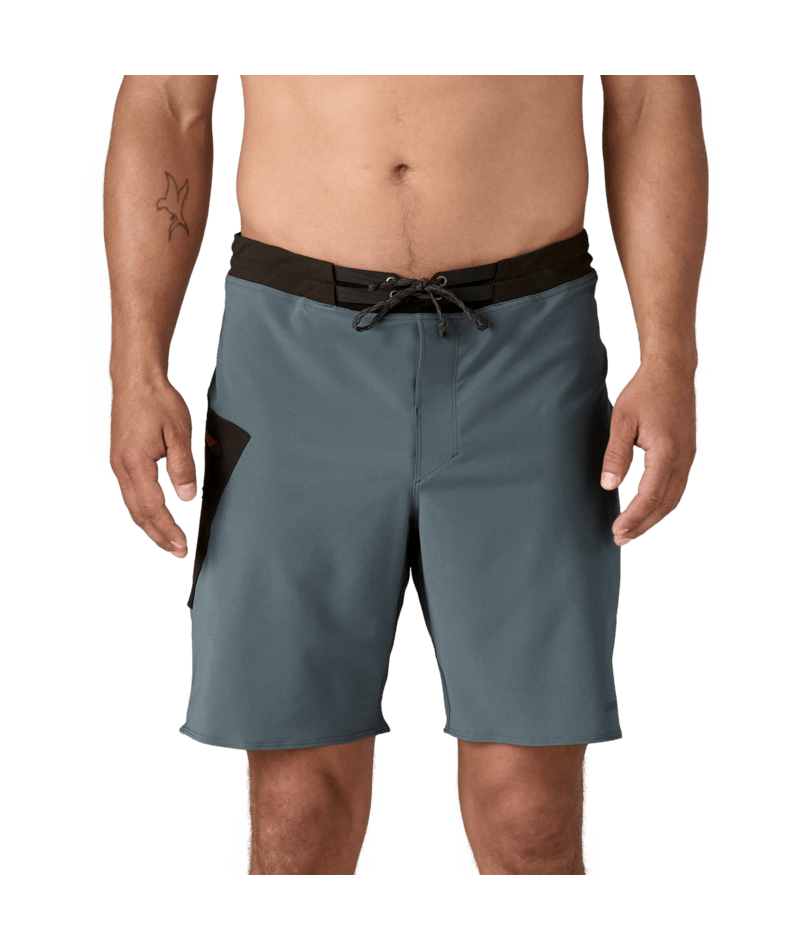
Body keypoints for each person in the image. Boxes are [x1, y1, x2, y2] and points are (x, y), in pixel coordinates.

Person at [104, 75, 708, 875]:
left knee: (531, 813)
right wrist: (137, 366)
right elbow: (166, 100)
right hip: (290, 358)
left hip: (529, 348)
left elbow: (648, 94)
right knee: (298, 811)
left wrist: (670, 356)